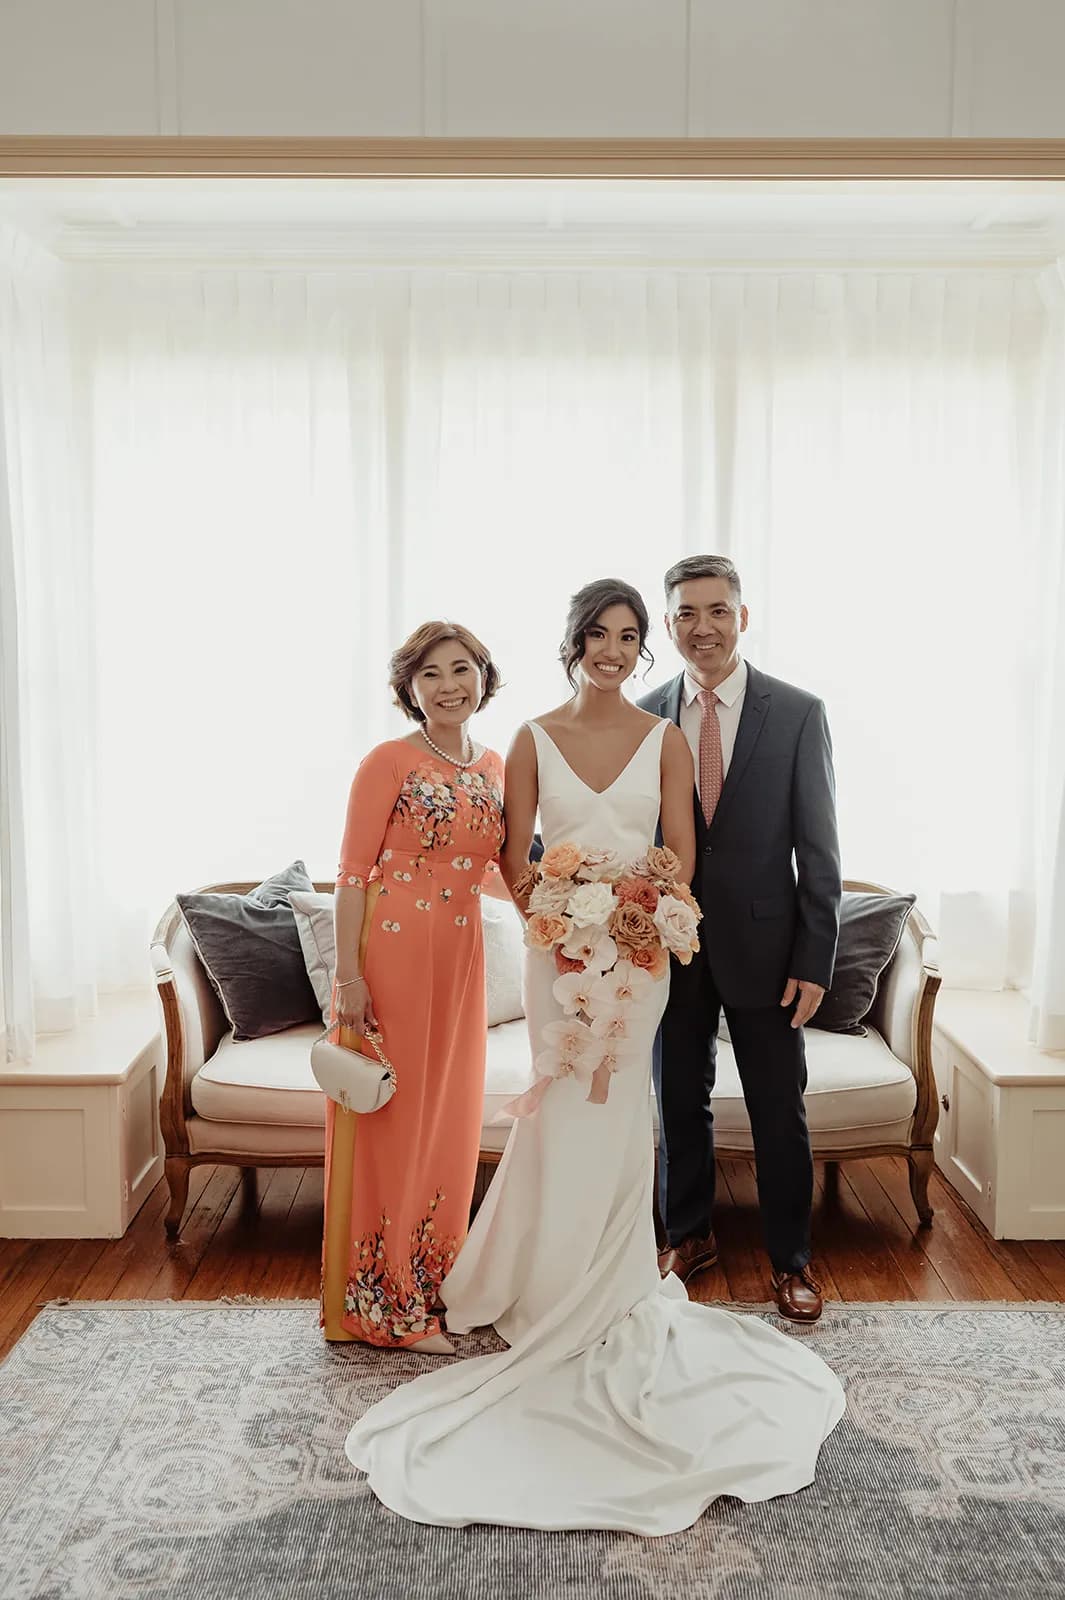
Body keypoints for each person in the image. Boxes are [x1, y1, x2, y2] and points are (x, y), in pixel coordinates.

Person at [344, 579, 844, 1532]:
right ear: (571, 644)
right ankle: (540, 1275)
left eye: (627, 636)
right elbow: (514, 856)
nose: (611, 650)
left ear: (641, 647)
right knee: (562, 1100)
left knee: (622, 1111)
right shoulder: (528, 737)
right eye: (596, 635)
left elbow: (679, 855)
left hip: (640, 951)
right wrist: (559, 912)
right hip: (556, 949)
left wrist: (628, 908)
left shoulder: (663, 738)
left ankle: (611, 1278)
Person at [639, 554, 842, 1323]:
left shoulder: (796, 712)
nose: (703, 628)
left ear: (742, 617)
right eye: (687, 613)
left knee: (776, 1110)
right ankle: (687, 1236)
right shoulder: (643, 716)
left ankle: (791, 1260)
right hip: (672, 948)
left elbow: (819, 850)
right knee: (676, 1102)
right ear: (668, 625)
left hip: (768, 951)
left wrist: (812, 959)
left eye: (717, 610)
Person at [320, 620, 504, 1354]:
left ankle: (430, 1284)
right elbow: (350, 876)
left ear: (483, 676)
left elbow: (495, 872)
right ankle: (379, 1306)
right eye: (431, 674)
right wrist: (349, 975)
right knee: (393, 1124)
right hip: (392, 955)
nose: (449, 685)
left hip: (461, 961)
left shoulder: (496, 766)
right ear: (409, 689)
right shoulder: (387, 762)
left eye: (461, 669)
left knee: (450, 1122)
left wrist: (569, 920)